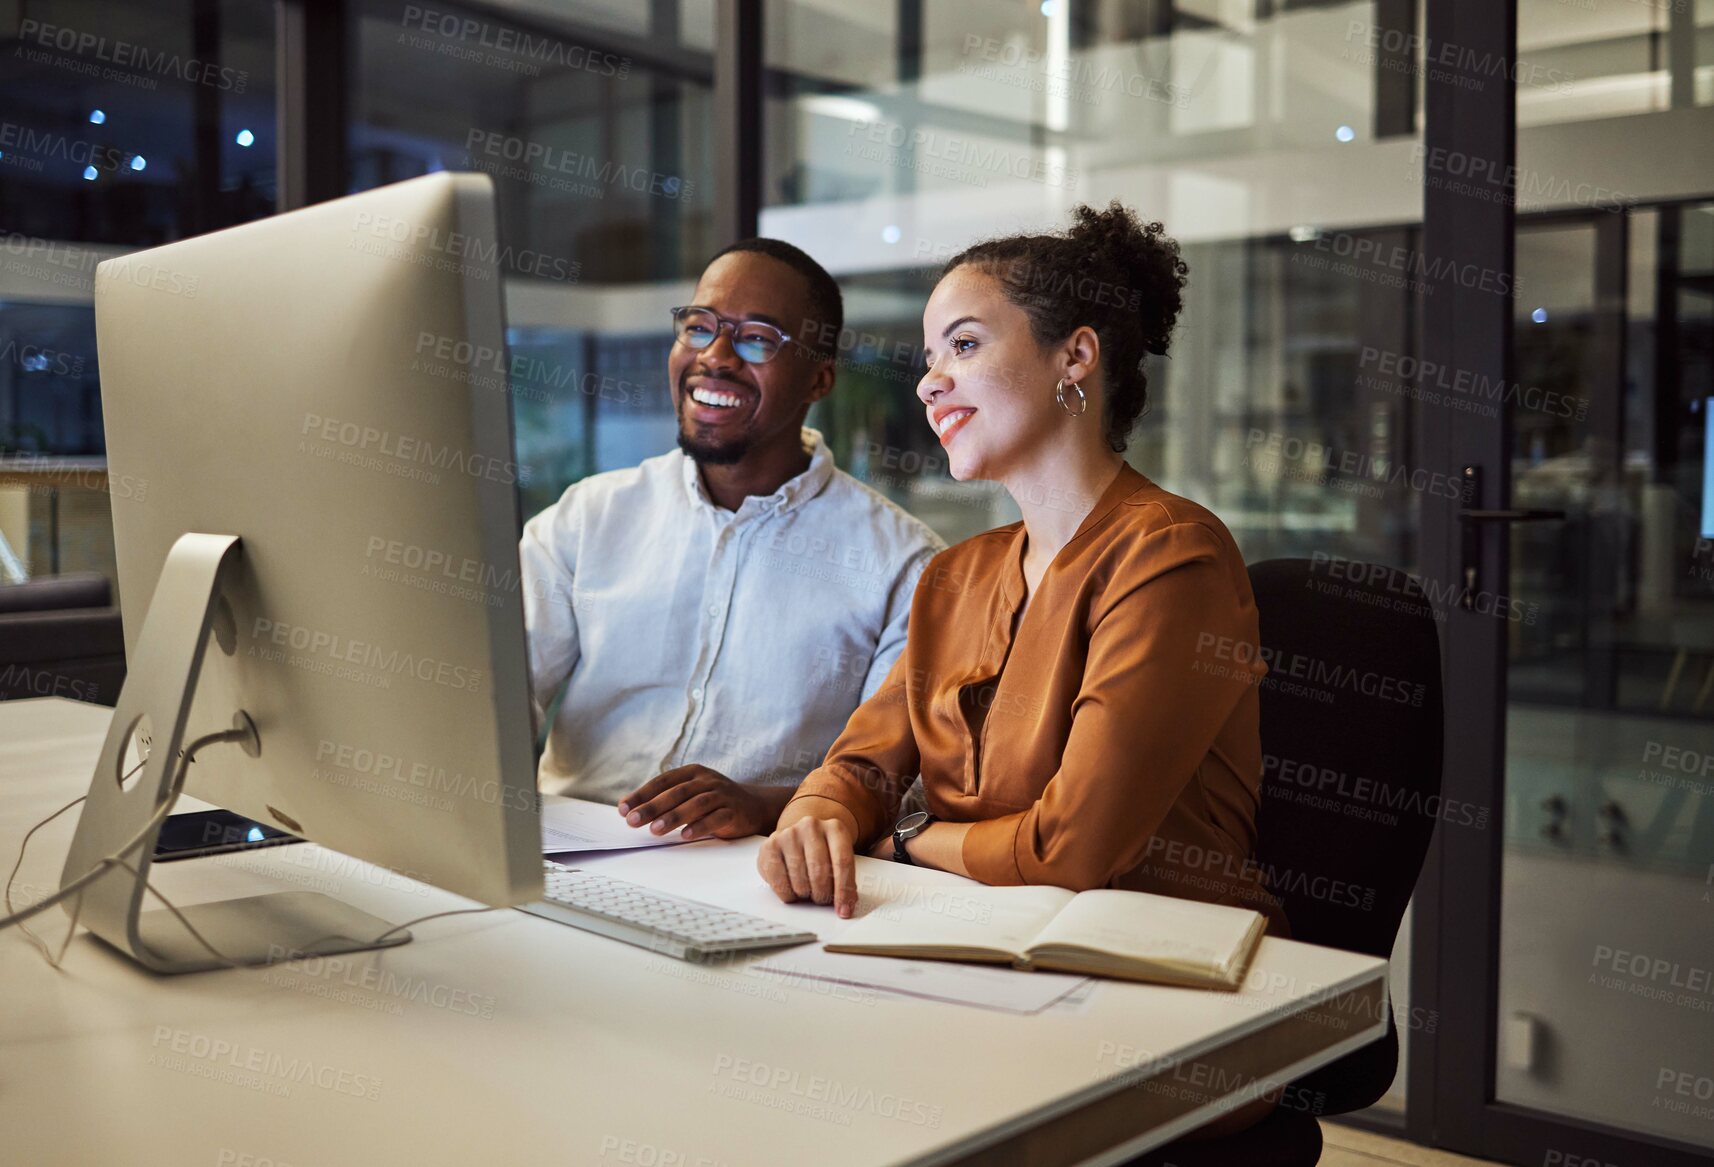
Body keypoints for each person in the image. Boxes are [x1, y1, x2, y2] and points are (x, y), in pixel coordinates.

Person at [756, 202, 1287, 941]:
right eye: (931, 358)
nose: (929, 383)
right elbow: (861, 770)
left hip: (1150, 965)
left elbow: (1073, 849)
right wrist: (820, 815)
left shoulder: (1173, 554)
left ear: (1075, 356)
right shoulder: (957, 575)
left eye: (964, 345)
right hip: (972, 932)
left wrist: (909, 838)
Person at [520, 239, 944, 840]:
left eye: (757, 339)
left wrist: (764, 805)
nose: (715, 357)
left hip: (757, 869)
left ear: (818, 379)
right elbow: (495, 697)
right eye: (699, 327)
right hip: (566, 850)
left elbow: (898, 784)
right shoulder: (587, 518)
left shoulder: (902, 563)